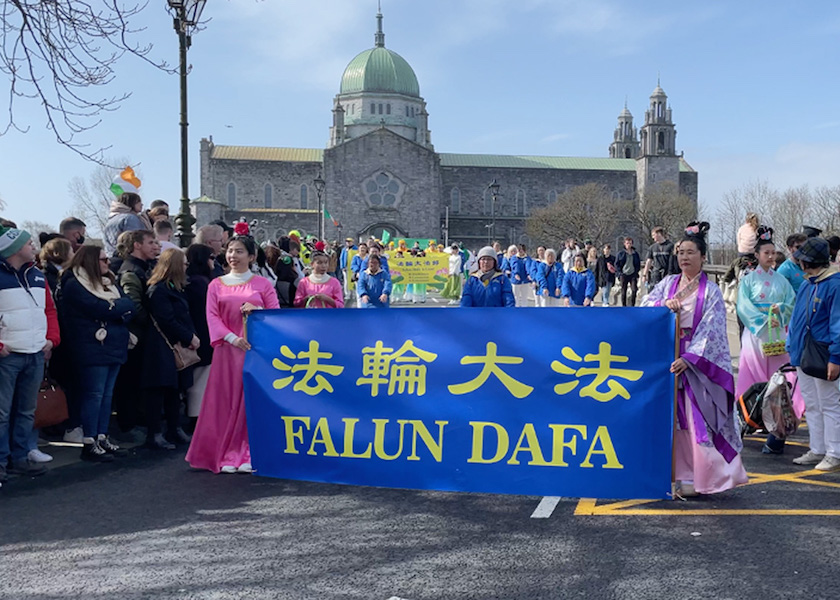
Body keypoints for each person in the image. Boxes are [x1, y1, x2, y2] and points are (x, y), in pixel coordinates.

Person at [642, 221, 748, 496]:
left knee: (696, 419)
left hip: (695, 364)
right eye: (681, 253)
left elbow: (712, 331)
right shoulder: (667, 285)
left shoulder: (710, 291)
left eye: (690, 253)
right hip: (666, 357)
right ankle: (671, 474)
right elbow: (644, 307)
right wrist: (662, 306)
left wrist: (689, 359)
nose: (685, 258)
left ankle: (698, 477)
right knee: (669, 419)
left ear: (703, 257)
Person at [187, 234, 279, 474]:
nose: (233, 256)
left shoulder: (263, 284)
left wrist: (257, 310)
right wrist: (231, 338)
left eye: (239, 251)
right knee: (225, 401)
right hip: (228, 351)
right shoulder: (216, 285)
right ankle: (225, 451)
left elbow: (276, 316)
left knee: (250, 401)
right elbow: (212, 317)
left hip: (255, 351)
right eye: (230, 251)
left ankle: (249, 450)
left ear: (251, 256)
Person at [58, 245, 134, 462]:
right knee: (94, 394)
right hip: (92, 347)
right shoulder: (74, 284)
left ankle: (102, 436)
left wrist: (115, 308)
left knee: (107, 395)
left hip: (113, 344)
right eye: (102, 260)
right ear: (91, 261)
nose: (107, 264)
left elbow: (130, 307)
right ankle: (89, 440)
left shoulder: (109, 283)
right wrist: (117, 308)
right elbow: (99, 308)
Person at [0, 227, 59, 480]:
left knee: (26, 411)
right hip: (9, 355)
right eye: (28, 243)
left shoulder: (37, 276)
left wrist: (51, 340)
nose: (34, 246)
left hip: (35, 352)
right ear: (13, 249)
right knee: (2, 412)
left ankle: (19, 457)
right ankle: (2, 461)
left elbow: (50, 310)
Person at [735, 230, 801, 454]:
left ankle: (775, 421)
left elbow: (790, 303)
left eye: (774, 252)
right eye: (767, 252)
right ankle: (748, 417)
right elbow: (743, 306)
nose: (771, 256)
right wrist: (763, 320)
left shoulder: (781, 280)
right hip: (756, 333)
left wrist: (780, 312)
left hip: (776, 332)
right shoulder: (748, 280)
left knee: (779, 378)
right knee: (751, 373)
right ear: (757, 254)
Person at [786, 237, 840, 471]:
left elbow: (837, 324)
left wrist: (836, 357)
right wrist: (791, 347)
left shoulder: (834, 284)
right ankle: (818, 448)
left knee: (829, 404)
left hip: (822, 353)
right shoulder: (809, 284)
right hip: (803, 353)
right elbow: (796, 319)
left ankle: (834, 452)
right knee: (813, 404)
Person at [142, 248, 200, 450]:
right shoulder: (158, 290)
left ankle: (174, 429)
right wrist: (189, 336)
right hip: (161, 345)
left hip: (174, 344)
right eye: (183, 264)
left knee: (175, 390)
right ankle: (155, 432)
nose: (186, 267)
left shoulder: (175, 288)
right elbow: (166, 320)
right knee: (159, 390)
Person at [113, 229, 160, 436]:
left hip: (144, 333)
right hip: (136, 335)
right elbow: (133, 306)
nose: (155, 246)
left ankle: (137, 420)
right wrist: (153, 322)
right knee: (130, 381)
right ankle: (128, 424)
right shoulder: (131, 271)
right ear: (137, 245)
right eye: (150, 242)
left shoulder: (144, 268)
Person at [184, 243, 215, 423]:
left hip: (199, 333)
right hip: (203, 334)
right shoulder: (201, 283)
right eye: (210, 257)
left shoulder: (193, 281)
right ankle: (196, 416)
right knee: (200, 379)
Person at [103, 192, 149, 257]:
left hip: (111, 256)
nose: (141, 204)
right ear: (131, 203)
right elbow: (135, 240)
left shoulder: (111, 219)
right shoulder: (131, 218)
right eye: (138, 201)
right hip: (127, 258)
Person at [616, 237, 641, 306]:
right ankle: (624, 305)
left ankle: (632, 304)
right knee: (624, 290)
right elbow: (617, 264)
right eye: (627, 243)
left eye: (630, 243)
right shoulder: (621, 253)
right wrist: (619, 273)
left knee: (634, 289)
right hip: (624, 274)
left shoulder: (635, 254)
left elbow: (638, 264)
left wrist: (636, 272)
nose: (628, 245)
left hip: (633, 274)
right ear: (624, 244)